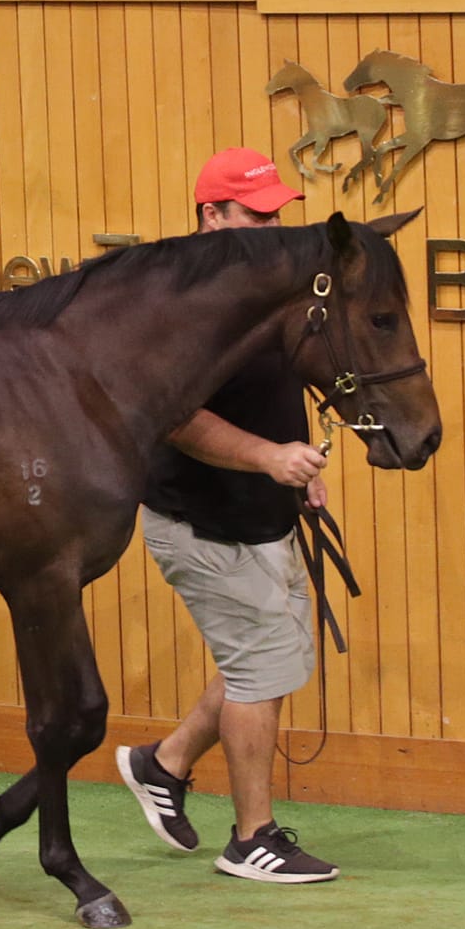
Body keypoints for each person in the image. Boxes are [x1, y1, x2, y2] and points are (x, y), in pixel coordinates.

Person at [115, 146, 339, 884]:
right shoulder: (176, 305)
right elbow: (176, 417)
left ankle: (165, 761)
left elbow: (273, 391)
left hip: (258, 509)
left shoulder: (258, 289)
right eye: (258, 214)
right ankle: (252, 838)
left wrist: (294, 468)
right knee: (258, 665)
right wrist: (271, 459)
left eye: (278, 214)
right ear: (211, 215)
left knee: (269, 655)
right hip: (199, 517)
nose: (272, 226)